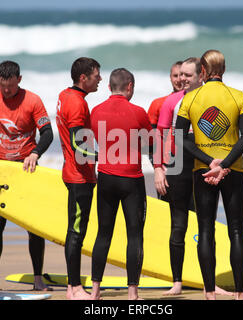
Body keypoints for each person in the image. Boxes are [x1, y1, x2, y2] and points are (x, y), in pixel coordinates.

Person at [175, 49, 243, 300]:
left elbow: (179, 138)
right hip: (234, 172)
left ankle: (209, 292)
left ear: (204, 72)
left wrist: (211, 162)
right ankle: (240, 294)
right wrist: (226, 164)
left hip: (203, 172)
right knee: (237, 231)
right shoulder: (239, 96)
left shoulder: (189, 99)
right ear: (225, 69)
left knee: (205, 230)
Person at [154, 57, 234, 297]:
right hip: (178, 167)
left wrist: (225, 163)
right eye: (179, 76)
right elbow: (159, 135)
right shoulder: (171, 102)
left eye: (187, 76)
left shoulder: (210, 99)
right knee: (178, 226)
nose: (182, 80)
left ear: (201, 75)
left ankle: (211, 282)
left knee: (206, 226)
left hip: (204, 167)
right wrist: (159, 168)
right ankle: (177, 282)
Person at [0, 61, 54, 292]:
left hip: (26, 168)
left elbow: (47, 134)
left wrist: (35, 153)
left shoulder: (32, 100)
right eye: (3, 86)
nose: (6, 91)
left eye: (11, 87)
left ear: (19, 80)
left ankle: (37, 278)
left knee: (34, 227)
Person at [89, 68, 152, 300]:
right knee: (134, 235)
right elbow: (150, 143)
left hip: (105, 177)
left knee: (103, 234)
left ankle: (95, 291)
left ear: (108, 87)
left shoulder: (95, 111)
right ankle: (132, 293)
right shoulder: (138, 112)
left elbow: (92, 141)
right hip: (131, 180)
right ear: (130, 86)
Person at [56, 57, 101, 299]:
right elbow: (76, 143)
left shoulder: (66, 95)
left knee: (76, 230)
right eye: (96, 76)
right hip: (78, 176)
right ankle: (74, 288)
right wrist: (104, 156)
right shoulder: (76, 103)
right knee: (76, 232)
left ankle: (73, 285)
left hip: (73, 172)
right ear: (83, 78)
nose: (100, 79)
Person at [147, 61, 183, 129]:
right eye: (175, 76)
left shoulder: (194, 101)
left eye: (181, 75)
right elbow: (150, 135)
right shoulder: (157, 103)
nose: (178, 80)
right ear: (170, 77)